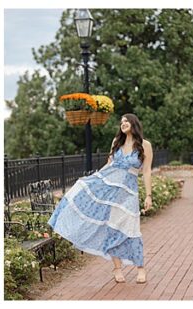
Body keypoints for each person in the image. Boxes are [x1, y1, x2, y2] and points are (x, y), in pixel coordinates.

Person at [49, 114, 152, 284]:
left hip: (128, 194)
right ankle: (117, 268)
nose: (123, 124)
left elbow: (146, 171)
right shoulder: (116, 142)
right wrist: (92, 179)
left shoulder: (145, 145)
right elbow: (108, 165)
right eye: (121, 122)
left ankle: (140, 268)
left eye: (126, 121)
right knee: (112, 229)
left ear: (134, 123)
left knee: (132, 228)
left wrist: (148, 195)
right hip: (110, 191)